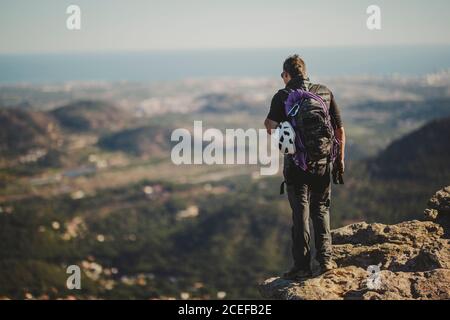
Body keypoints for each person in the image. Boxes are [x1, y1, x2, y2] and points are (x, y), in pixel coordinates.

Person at [264, 55, 346, 279]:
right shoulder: (324, 92)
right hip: (323, 163)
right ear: (306, 72)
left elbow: (269, 126)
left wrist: (284, 130)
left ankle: (302, 267)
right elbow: (339, 130)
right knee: (321, 210)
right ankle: (326, 261)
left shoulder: (282, 96)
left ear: (286, 75)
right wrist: (339, 161)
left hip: (297, 166)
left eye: (283, 75)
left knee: (300, 214)